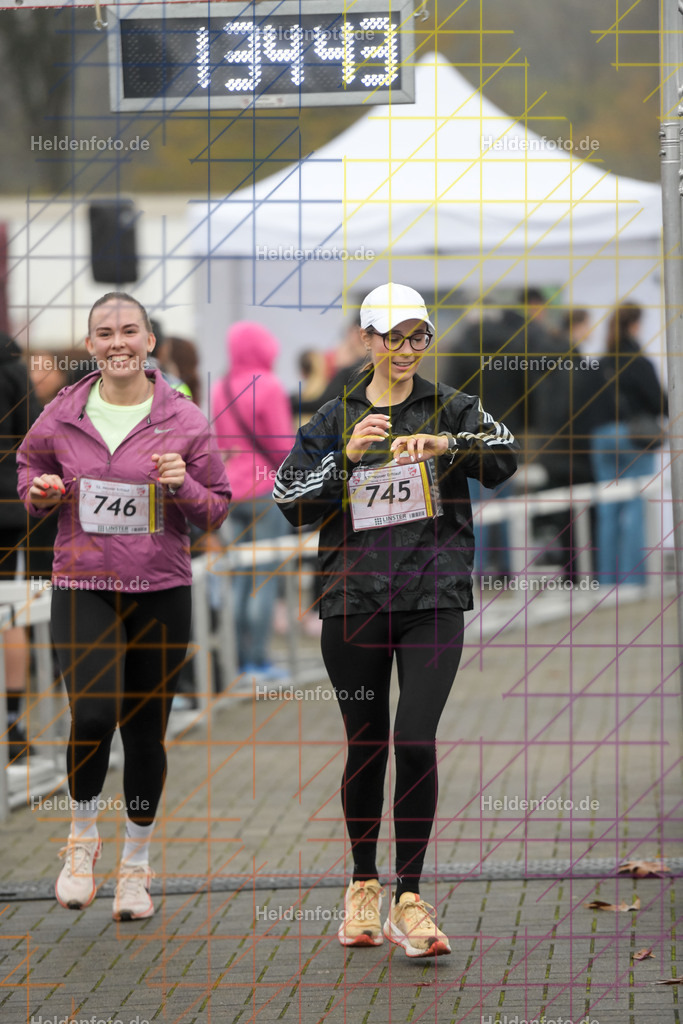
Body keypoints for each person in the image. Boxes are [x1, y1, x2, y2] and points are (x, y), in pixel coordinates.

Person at [273, 282, 518, 958]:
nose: (405, 349)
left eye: (417, 336)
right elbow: (285, 497)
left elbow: (506, 458)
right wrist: (343, 461)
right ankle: (361, 881)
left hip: (431, 598)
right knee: (366, 741)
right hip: (351, 600)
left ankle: (409, 896)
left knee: (414, 737)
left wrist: (447, 447)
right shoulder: (333, 415)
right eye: (392, 336)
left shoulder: (452, 406)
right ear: (367, 338)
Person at [16, 292, 231, 920]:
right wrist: (43, 494)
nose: (118, 342)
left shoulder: (184, 418)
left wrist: (181, 485)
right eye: (105, 332)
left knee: (144, 735)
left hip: (160, 590)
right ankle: (81, 842)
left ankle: (135, 869)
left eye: (129, 331)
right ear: (90, 346)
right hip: (83, 586)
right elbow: (28, 469)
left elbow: (217, 504)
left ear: (149, 341)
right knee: (93, 713)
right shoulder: (62, 413)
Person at [211, 321, 293, 690]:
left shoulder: (220, 386)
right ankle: (258, 660)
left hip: (230, 491)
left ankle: (239, 662)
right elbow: (282, 445)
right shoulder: (271, 386)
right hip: (264, 490)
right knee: (265, 579)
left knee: (242, 580)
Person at [587, 302, 667, 585]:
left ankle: (607, 580)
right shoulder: (640, 362)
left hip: (601, 438)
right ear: (635, 325)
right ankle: (632, 580)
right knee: (635, 507)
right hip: (634, 438)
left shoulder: (600, 363)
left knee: (608, 511)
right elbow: (659, 402)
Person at [0, 333, 42, 762]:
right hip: (7, 507)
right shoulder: (12, 368)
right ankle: (11, 725)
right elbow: (37, 435)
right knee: (9, 609)